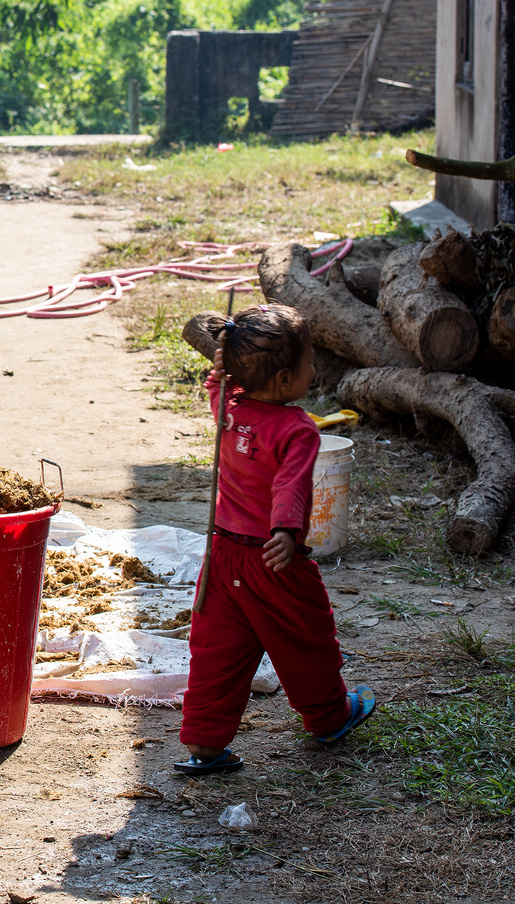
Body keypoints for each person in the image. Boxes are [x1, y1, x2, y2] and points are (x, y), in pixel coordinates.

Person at [175, 303, 375, 775]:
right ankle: (330, 717)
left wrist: (219, 376)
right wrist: (286, 531)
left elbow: (215, 391)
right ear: (285, 380)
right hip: (274, 559)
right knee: (306, 640)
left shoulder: (230, 411)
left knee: (216, 652)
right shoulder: (297, 428)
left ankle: (204, 744)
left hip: (222, 557)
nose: (314, 369)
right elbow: (291, 485)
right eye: (308, 362)